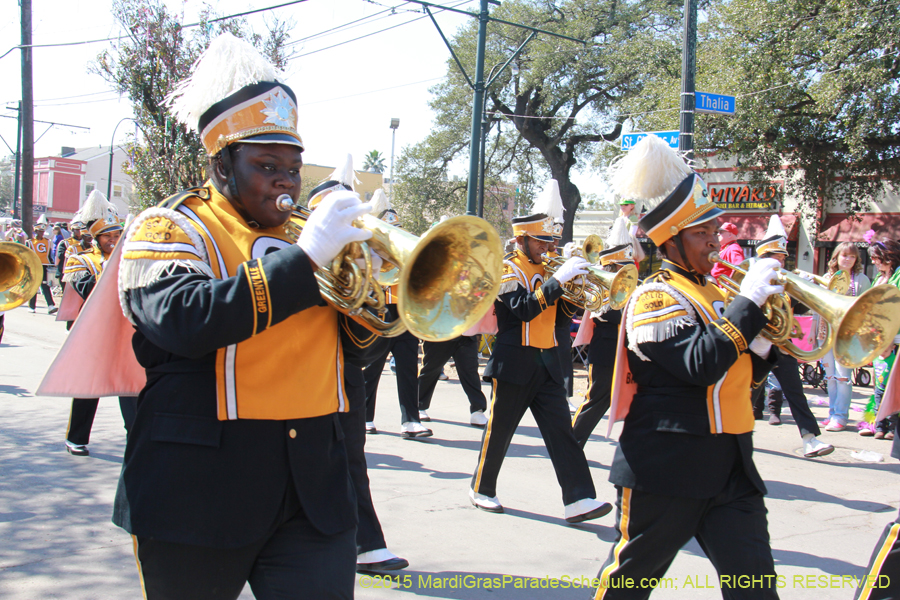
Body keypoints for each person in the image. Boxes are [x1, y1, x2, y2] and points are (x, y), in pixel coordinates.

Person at [111, 34, 374, 599]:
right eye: (266, 165)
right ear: (221, 166)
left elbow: (355, 349)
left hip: (315, 489)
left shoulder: (310, 238)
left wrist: (379, 289)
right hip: (197, 492)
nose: (286, 181)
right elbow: (185, 320)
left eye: (293, 168)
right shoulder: (169, 228)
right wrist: (306, 263)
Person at [594, 134, 784, 599]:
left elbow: (743, 374)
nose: (716, 244)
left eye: (715, 233)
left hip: (732, 468)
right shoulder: (656, 296)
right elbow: (700, 364)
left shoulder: (718, 295)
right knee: (628, 586)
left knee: (757, 588)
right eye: (704, 234)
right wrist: (748, 305)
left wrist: (761, 342)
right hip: (667, 469)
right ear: (672, 243)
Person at [468, 210, 612, 524]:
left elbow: (562, 317)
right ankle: (482, 488)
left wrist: (576, 284)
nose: (548, 246)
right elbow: (523, 309)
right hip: (514, 361)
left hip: (547, 362)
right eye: (541, 240)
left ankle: (579, 499)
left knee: (563, 434)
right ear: (522, 239)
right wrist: (558, 280)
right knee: (500, 431)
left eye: (552, 240)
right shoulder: (506, 268)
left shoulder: (549, 268)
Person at [305, 181, 409, 574]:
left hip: (341, 375)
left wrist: (366, 292)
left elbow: (358, 344)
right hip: (296, 374)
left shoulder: (351, 266)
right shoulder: (295, 250)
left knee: (351, 460)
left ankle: (368, 544)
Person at [747, 216, 834, 457]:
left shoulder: (785, 278)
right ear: (764, 255)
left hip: (780, 344)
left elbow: (795, 310)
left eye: (784, 257)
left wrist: (808, 293)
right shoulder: (749, 273)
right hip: (754, 345)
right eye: (777, 257)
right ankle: (735, 437)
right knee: (748, 394)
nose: (782, 261)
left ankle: (810, 439)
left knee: (795, 392)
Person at [60, 191, 136, 456]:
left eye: (117, 236)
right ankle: (76, 437)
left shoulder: (130, 260)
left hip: (125, 334)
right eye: (107, 236)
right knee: (88, 387)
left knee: (130, 386)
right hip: (93, 334)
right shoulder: (81, 260)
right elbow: (87, 287)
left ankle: (136, 438)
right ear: (96, 238)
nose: (113, 241)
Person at [362, 189, 432, 439]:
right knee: (371, 369)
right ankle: (365, 417)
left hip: (403, 314)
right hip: (378, 313)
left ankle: (410, 421)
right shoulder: (366, 252)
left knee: (407, 369)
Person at [571, 216, 634, 447]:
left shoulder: (630, 285)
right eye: (621, 267)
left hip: (626, 351)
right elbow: (607, 314)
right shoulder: (600, 284)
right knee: (596, 399)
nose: (626, 271)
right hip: (606, 352)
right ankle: (571, 442)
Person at [817, 243, 870, 431]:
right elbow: (818, 306)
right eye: (844, 255)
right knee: (830, 376)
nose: (847, 259)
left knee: (843, 378)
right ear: (836, 257)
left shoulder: (861, 279)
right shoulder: (826, 277)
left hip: (847, 336)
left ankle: (841, 416)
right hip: (826, 333)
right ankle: (832, 413)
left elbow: (865, 309)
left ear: (856, 260)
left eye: (852, 257)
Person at [865, 238, 900, 438]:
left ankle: (893, 426)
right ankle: (879, 424)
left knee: (894, 383)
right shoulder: (879, 278)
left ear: (890, 256)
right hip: (880, 337)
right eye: (873, 259)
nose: (875, 262)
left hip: (895, 337)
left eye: (878, 258)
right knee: (880, 380)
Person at [26, 224, 58, 314]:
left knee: (45, 285)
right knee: (34, 285)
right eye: (39, 231)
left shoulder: (47, 241)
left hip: (44, 265)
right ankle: (31, 306)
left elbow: (48, 254)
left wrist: (52, 263)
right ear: (35, 232)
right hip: (34, 265)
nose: (41, 233)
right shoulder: (30, 242)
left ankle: (50, 305)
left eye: (42, 232)